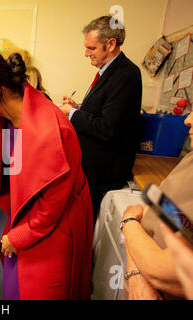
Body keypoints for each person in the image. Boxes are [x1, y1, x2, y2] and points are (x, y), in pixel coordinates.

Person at [0, 49, 93, 300]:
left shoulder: (52, 130)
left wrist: (18, 236)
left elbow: (52, 206)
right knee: (15, 284)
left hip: (53, 227)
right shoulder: (6, 118)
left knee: (41, 289)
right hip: (27, 219)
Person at [60, 15, 142, 223]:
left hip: (104, 175)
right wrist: (78, 107)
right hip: (90, 169)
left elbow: (108, 128)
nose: (86, 53)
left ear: (111, 44)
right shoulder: (107, 72)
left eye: (92, 48)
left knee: (89, 228)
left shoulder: (126, 74)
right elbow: (104, 111)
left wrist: (71, 113)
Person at [121, 112, 193, 300]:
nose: (188, 120)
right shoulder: (190, 160)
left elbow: (171, 272)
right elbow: (150, 212)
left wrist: (128, 223)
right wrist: (136, 273)